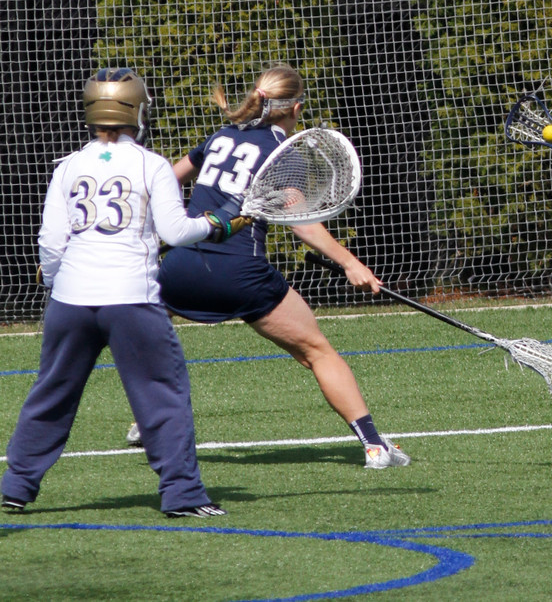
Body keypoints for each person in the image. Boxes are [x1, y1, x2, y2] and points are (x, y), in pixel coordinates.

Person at [2, 67, 245, 518]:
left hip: (71, 300)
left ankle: (16, 486)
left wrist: (58, 284)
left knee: (52, 391)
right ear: (136, 109)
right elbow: (176, 229)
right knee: (160, 394)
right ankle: (183, 494)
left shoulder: (68, 166)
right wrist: (219, 223)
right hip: (131, 299)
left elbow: (51, 242)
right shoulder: (150, 164)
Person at [153, 63, 410, 468]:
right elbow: (301, 221)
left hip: (180, 266)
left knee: (144, 329)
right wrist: (349, 263)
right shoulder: (282, 151)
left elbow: (165, 179)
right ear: (297, 108)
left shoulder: (221, 136)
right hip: (240, 273)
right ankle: (375, 446)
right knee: (318, 352)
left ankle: (148, 420)